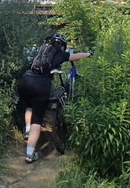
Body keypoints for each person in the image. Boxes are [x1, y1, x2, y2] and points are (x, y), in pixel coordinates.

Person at [17, 33, 92, 163]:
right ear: (62, 46)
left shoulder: (40, 49)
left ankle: (27, 130)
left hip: (24, 81)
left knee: (29, 106)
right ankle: (29, 154)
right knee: (37, 120)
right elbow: (76, 56)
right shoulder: (60, 54)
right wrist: (88, 54)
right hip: (40, 85)